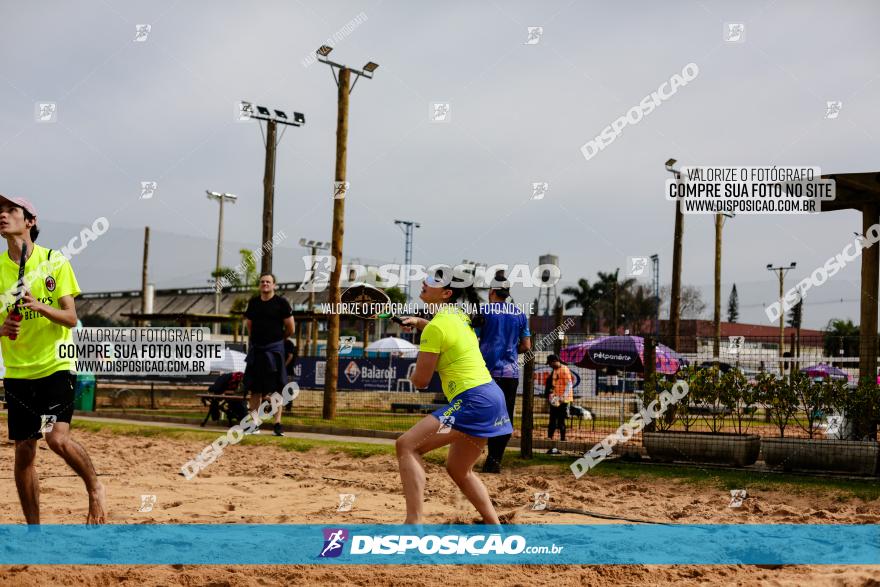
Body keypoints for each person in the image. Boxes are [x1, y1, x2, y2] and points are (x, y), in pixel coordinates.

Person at [0, 195, 106, 524]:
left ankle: (95, 488)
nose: (2, 216)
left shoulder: (54, 261)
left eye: (10, 211)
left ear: (30, 220)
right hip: (18, 370)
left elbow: (71, 318)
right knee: (25, 450)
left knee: (56, 438)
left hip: (56, 365)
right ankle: (35, 532)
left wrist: (40, 306)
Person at [395, 272, 513, 525]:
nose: (424, 282)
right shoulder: (457, 315)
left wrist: (421, 351)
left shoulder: (436, 329)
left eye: (432, 282)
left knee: (407, 446)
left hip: (473, 400)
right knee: (459, 470)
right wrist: (419, 322)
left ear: (447, 293)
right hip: (492, 396)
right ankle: (495, 528)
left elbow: (421, 381)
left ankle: (413, 524)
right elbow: (443, 331)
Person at [478, 271, 530, 473]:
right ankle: (494, 461)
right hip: (510, 374)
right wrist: (509, 349)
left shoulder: (483, 312)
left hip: (485, 373)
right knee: (504, 419)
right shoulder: (520, 314)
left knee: (481, 416)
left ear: (491, 292)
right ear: (507, 294)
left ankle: (474, 457)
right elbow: (526, 346)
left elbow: (473, 340)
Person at [244, 273, 294, 436]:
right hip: (257, 351)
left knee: (277, 390)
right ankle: (254, 424)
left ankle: (277, 425)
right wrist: (256, 343)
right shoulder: (253, 303)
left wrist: (278, 341)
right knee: (255, 390)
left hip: (274, 351)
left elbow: (290, 328)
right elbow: (250, 327)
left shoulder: (282, 303)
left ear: (274, 285)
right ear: (260, 285)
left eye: (268, 282)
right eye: (262, 282)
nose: (265, 284)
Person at [546, 354, 573, 452]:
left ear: (554, 361)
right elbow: (554, 385)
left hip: (563, 400)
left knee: (561, 420)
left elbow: (569, 384)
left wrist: (563, 397)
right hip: (556, 399)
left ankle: (562, 438)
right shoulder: (555, 370)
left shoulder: (564, 369)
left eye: (550, 363)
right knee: (552, 419)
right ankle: (549, 437)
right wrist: (551, 394)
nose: (549, 365)